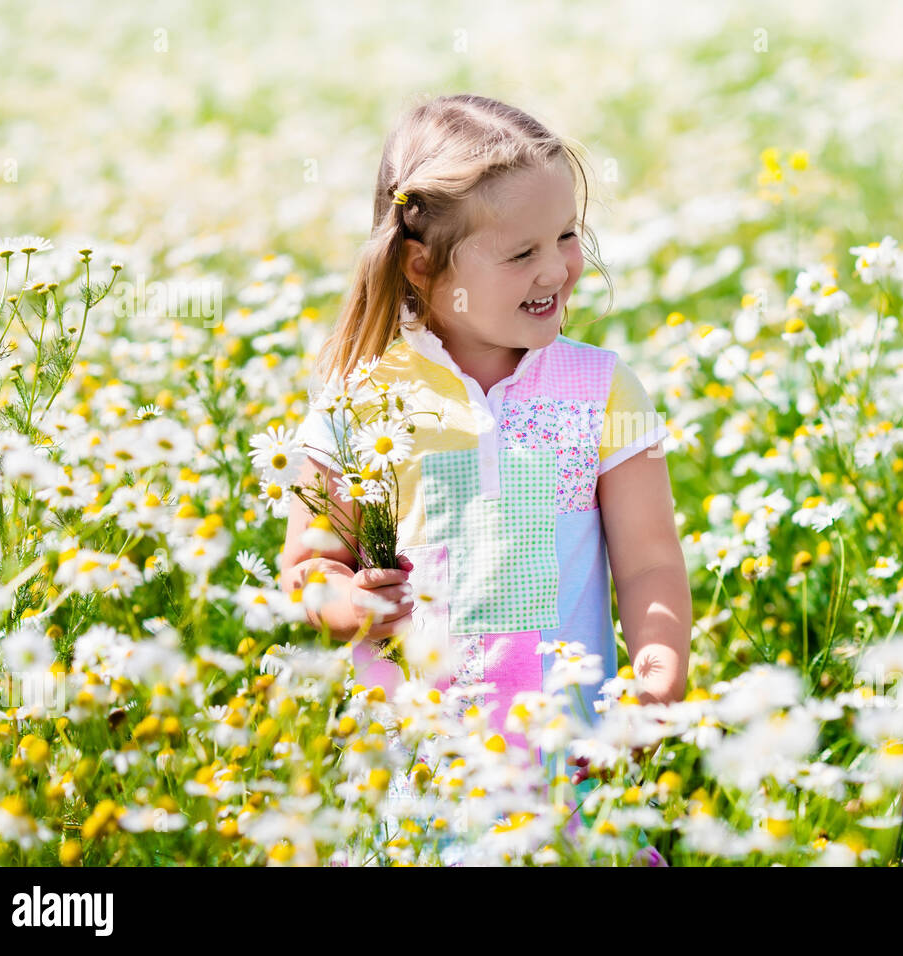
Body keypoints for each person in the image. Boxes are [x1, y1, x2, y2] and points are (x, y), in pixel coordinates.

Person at [278, 93, 692, 864]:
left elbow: (650, 562)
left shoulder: (601, 388)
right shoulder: (360, 396)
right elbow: (309, 567)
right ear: (422, 262)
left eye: (565, 236)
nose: (557, 268)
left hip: (567, 755)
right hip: (418, 760)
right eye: (520, 253)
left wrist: (658, 675)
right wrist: (347, 605)